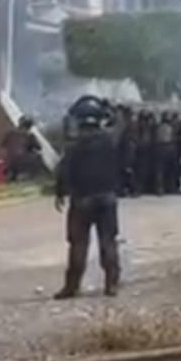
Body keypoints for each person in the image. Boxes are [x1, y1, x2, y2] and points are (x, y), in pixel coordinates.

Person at [53, 96, 122, 299]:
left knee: (78, 244)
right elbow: (120, 123)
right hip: (107, 198)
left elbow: (63, 170)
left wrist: (60, 193)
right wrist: (109, 107)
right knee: (108, 241)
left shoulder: (73, 146)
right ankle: (111, 284)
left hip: (81, 201)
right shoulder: (110, 140)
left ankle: (71, 287)